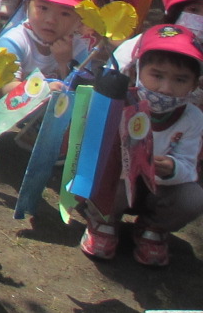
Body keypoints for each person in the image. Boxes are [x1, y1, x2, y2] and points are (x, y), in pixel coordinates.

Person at [81, 24, 203, 266]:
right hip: (116, 185)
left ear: (194, 85)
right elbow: (88, 153)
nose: (166, 88)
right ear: (136, 72)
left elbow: (189, 166)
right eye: (157, 75)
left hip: (160, 189)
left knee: (193, 197)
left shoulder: (193, 117)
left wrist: (172, 167)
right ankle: (103, 221)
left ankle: (152, 228)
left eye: (180, 80)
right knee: (106, 172)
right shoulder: (117, 102)